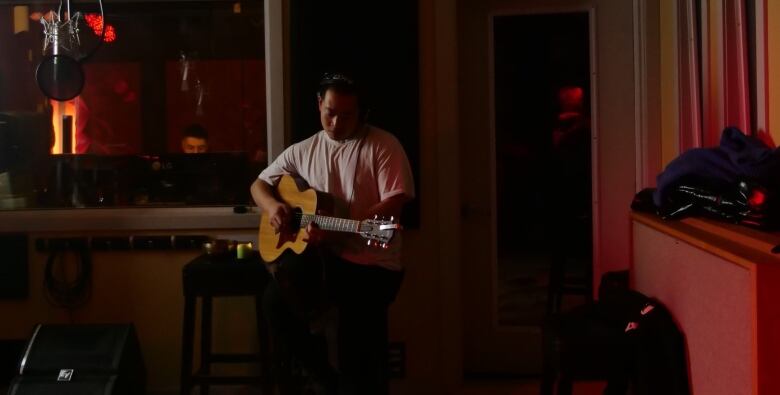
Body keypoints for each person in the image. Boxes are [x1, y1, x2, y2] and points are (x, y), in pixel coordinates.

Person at [250, 73, 414, 395]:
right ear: (319, 105)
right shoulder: (305, 150)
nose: (336, 122)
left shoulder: (383, 145)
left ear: (361, 112)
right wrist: (273, 207)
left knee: (357, 342)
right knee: (274, 302)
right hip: (327, 261)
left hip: (372, 263)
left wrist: (336, 234)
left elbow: (392, 209)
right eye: (330, 112)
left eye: (347, 115)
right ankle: (324, 376)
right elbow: (258, 185)